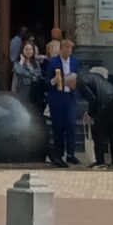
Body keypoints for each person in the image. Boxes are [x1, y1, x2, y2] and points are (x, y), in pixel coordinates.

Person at [40, 38, 81, 168]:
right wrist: (54, 80)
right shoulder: (53, 62)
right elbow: (47, 81)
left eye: (70, 49)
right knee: (58, 126)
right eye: (66, 49)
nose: (68, 51)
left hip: (70, 97)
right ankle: (58, 154)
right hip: (57, 98)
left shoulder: (74, 61)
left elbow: (78, 76)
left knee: (71, 125)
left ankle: (71, 153)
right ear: (61, 49)